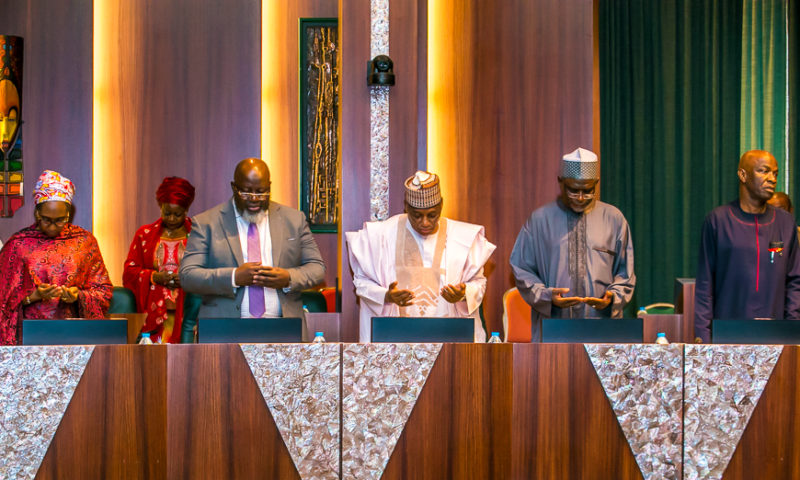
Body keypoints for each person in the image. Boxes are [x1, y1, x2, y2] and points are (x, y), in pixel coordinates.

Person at [346, 171, 496, 342]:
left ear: (441, 206)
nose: (424, 222)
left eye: (432, 215)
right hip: (395, 338)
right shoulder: (380, 236)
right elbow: (362, 283)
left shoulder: (464, 238)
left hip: (449, 337)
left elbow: (478, 283)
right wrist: (386, 296)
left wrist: (463, 294)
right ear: (406, 207)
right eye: (417, 215)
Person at [510, 147, 635, 341]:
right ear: (560, 183)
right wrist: (545, 296)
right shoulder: (539, 220)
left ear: (596, 184)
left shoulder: (614, 219)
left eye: (587, 191)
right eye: (573, 190)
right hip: (553, 328)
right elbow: (521, 268)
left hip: (602, 328)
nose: (581, 197)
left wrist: (612, 297)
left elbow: (625, 272)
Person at [179, 158, 325, 319]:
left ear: (269, 187)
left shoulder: (294, 219)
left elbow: (317, 268)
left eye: (261, 192)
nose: (254, 199)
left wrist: (288, 278)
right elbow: (188, 276)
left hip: (283, 327)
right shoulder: (207, 223)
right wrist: (234, 277)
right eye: (247, 192)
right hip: (224, 329)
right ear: (234, 188)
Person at [695, 150, 800, 343]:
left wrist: (792, 331)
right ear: (743, 175)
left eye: (775, 173)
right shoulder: (718, 220)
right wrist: (703, 336)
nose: (772, 179)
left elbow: (795, 282)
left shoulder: (786, 223)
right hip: (727, 337)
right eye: (764, 171)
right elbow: (704, 285)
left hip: (776, 337)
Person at [0, 170, 113, 345]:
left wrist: (78, 296)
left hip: (75, 337)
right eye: (46, 219)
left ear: (69, 214)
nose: (53, 226)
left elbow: (103, 291)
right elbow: (3, 299)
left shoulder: (83, 242)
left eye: (60, 220)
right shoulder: (18, 245)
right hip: (29, 339)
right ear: (37, 213)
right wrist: (33, 296)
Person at [123, 177, 196, 343]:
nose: (171, 219)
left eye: (177, 214)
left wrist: (187, 279)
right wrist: (154, 277)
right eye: (166, 213)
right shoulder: (145, 235)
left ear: (186, 210)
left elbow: (209, 271)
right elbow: (129, 272)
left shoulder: (199, 235)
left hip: (188, 314)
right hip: (154, 312)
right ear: (160, 207)